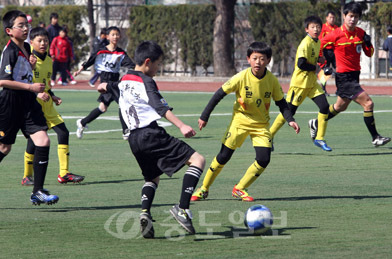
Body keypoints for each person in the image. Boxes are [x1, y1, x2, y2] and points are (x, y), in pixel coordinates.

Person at [98, 40, 205, 238]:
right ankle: (182, 209)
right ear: (147, 62)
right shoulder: (147, 82)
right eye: (157, 64)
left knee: (152, 177)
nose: (158, 68)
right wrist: (182, 125)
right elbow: (160, 107)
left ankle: (145, 212)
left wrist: (103, 86)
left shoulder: (125, 79)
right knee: (198, 160)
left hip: (133, 139)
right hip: (150, 134)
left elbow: (109, 86)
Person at [191, 42, 299, 203]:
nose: (258, 62)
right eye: (254, 58)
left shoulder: (272, 80)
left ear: (268, 60)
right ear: (248, 59)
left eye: (262, 59)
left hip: (261, 125)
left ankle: (240, 188)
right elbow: (219, 94)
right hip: (239, 122)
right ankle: (204, 188)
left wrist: (290, 120)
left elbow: (281, 102)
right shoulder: (241, 77)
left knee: (264, 159)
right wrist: (204, 116)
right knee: (223, 156)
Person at [310, 2, 391, 147]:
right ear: (344, 16)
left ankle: (316, 122)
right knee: (368, 103)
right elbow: (317, 47)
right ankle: (375, 137)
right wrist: (323, 65)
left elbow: (370, 53)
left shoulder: (360, 33)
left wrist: (368, 43)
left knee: (340, 107)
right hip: (344, 77)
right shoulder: (335, 34)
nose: (353, 19)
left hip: (355, 75)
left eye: (356, 17)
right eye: (350, 16)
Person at [0, 10, 58, 205]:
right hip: (10, 102)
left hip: (27, 101)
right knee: (4, 147)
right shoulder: (9, 51)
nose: (26, 29)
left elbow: (23, 74)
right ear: (9, 30)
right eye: (21, 26)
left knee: (43, 140)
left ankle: (38, 191)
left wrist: (31, 68)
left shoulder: (26, 47)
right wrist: (31, 87)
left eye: (27, 25)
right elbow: (3, 81)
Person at [21, 27, 84, 186]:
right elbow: (24, 84)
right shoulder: (28, 60)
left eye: (46, 41)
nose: (43, 44)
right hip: (32, 106)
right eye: (39, 41)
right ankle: (27, 176)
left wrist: (52, 95)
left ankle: (64, 173)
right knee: (33, 141)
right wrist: (36, 94)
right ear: (32, 42)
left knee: (63, 133)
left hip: (47, 106)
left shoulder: (49, 60)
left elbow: (46, 84)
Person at [269, 16, 332, 152]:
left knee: (325, 106)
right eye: (312, 27)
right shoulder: (305, 43)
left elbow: (315, 58)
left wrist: (322, 60)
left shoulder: (317, 42)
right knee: (289, 112)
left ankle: (319, 138)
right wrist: (316, 67)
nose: (316, 29)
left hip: (311, 84)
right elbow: (301, 64)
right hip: (299, 85)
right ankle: (269, 136)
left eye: (318, 27)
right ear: (306, 29)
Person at [74, 26, 134, 140]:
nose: (115, 36)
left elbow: (131, 64)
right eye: (113, 34)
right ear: (107, 36)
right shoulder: (101, 50)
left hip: (115, 80)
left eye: (117, 34)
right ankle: (126, 131)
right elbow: (90, 60)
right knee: (122, 102)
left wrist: (139, 71)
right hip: (105, 82)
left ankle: (82, 122)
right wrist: (80, 69)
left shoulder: (120, 53)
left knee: (102, 108)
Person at [317, 10, 339, 94]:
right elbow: (320, 41)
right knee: (325, 71)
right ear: (326, 18)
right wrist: (320, 54)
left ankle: (339, 89)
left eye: (333, 17)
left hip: (334, 52)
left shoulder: (337, 28)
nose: (332, 19)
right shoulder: (323, 27)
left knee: (338, 70)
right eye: (330, 17)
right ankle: (323, 89)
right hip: (325, 51)